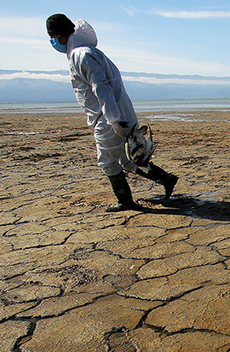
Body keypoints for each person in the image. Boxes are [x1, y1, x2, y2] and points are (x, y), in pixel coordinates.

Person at [46, 14, 177, 211]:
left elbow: (102, 88)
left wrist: (113, 120)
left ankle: (125, 201)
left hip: (109, 118)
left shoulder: (81, 55)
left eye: (52, 36)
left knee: (107, 161)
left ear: (60, 34)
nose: (53, 41)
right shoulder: (88, 52)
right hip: (117, 114)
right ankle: (166, 179)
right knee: (127, 158)